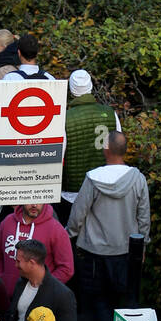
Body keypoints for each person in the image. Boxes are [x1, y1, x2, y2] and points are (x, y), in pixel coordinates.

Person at [67, 131, 150, 321]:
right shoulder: (138, 179)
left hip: (94, 253)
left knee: (100, 302)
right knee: (127, 302)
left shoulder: (93, 179)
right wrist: (142, 244)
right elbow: (143, 216)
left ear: (106, 149)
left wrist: (68, 235)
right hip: (126, 252)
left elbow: (79, 212)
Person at [58, 68, 120, 225]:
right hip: (104, 188)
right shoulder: (110, 113)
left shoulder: (64, 118)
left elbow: (60, 154)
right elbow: (117, 148)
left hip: (72, 192)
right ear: (90, 87)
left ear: (71, 91)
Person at [0, 202, 74, 298]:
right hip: (6, 296)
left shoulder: (56, 229)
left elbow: (66, 269)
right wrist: (2, 278)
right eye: (31, 200)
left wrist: (43, 286)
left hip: (39, 299)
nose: (34, 205)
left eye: (39, 201)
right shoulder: (7, 222)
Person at [3, 239, 78, 321]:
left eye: (18, 261)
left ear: (32, 263)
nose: (16, 265)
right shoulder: (21, 283)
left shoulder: (63, 295)